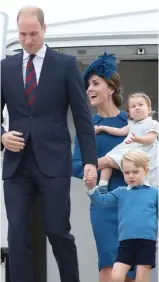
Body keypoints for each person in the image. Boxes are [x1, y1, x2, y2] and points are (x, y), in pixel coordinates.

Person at [1, 6, 97, 282]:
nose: (28, 40)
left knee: (57, 231)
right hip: (17, 165)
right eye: (22, 34)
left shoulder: (65, 65)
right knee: (16, 234)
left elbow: (82, 116)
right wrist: (2, 135)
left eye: (33, 33)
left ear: (44, 29)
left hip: (53, 161)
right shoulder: (5, 67)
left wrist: (90, 160)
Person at [73, 52, 135, 281]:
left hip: (134, 202)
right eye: (88, 85)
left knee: (134, 267)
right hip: (103, 202)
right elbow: (76, 165)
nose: (89, 88)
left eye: (95, 83)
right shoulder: (87, 126)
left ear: (110, 88)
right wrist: (107, 162)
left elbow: (149, 157)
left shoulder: (131, 121)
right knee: (109, 264)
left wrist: (117, 162)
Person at [87, 150, 158, 282]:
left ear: (146, 170)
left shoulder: (155, 193)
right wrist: (91, 188)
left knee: (142, 278)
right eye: (126, 172)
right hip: (125, 243)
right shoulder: (120, 192)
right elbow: (101, 201)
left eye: (135, 172)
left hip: (147, 243)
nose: (130, 176)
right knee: (116, 277)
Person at [94, 92, 159, 190]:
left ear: (149, 109)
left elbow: (150, 139)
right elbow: (119, 131)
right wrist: (103, 128)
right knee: (109, 157)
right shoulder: (132, 124)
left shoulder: (152, 123)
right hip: (129, 149)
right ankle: (103, 184)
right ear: (130, 113)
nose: (137, 107)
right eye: (133, 106)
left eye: (140, 105)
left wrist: (137, 139)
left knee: (109, 161)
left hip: (143, 152)